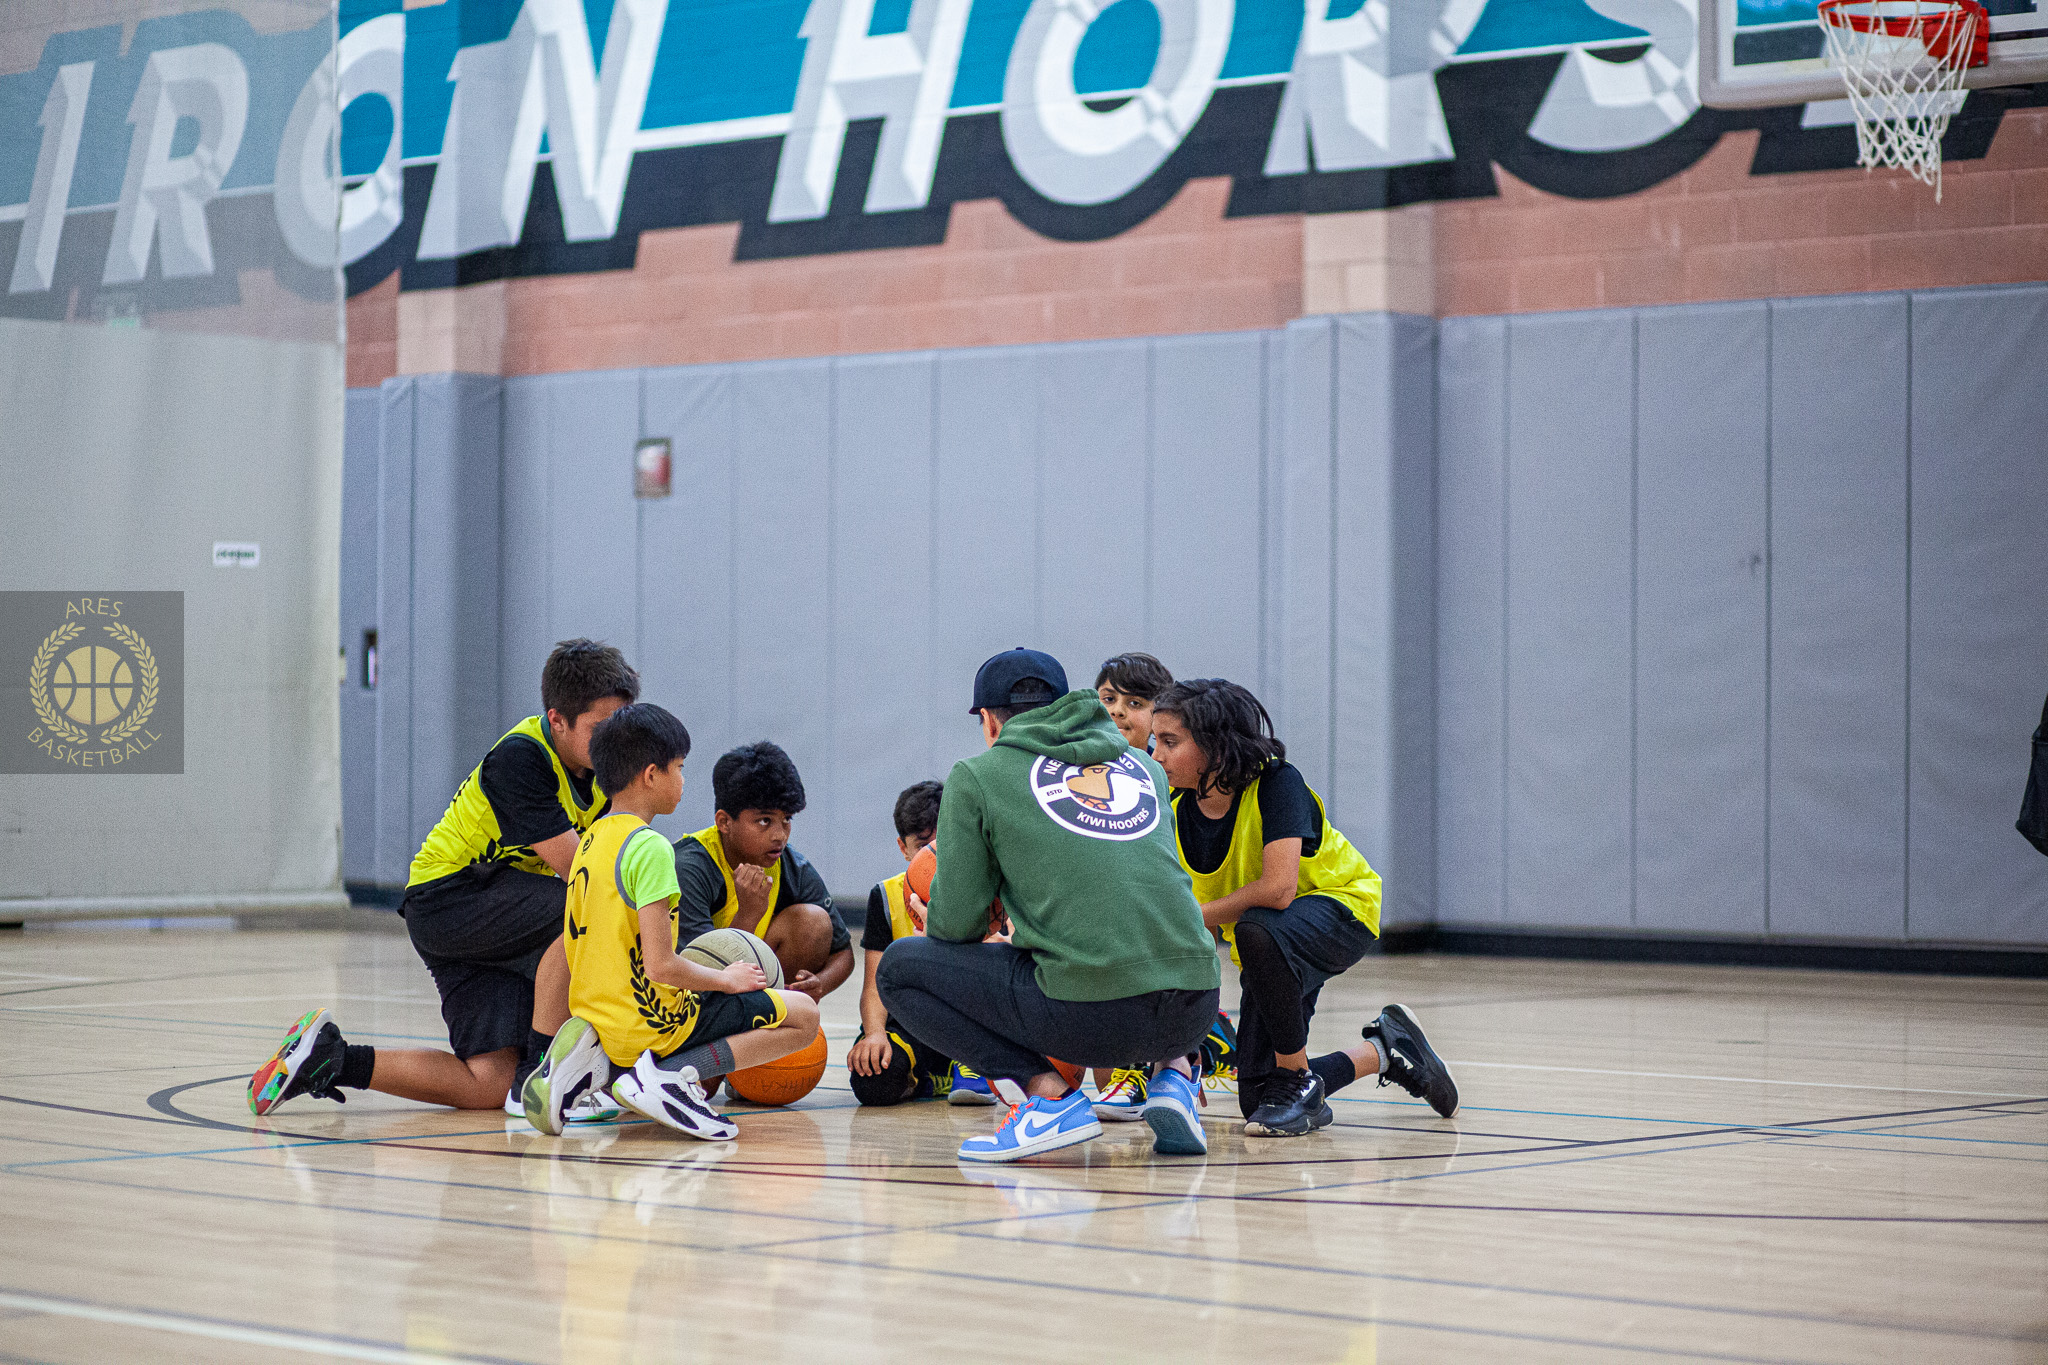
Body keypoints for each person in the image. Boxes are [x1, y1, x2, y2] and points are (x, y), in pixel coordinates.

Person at [249, 639, 639, 1117]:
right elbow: (583, 874)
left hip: (496, 911)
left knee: (486, 1086)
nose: (616, 743)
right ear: (558, 720)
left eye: (622, 728)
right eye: (602, 729)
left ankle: (328, 1059)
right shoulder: (522, 760)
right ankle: (546, 1076)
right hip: (451, 900)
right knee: (580, 910)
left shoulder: (602, 770)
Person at [877, 648, 1221, 1163]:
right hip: (1197, 1009)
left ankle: (1049, 1098)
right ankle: (1176, 1077)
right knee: (1148, 935)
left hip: (1093, 1017)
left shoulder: (979, 775)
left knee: (902, 969)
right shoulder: (1144, 770)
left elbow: (956, 926)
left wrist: (954, 916)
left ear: (989, 720)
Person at [1149, 678, 1458, 1137]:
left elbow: (1278, 890)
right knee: (1256, 1098)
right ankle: (1387, 1050)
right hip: (1270, 944)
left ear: (1215, 745)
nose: (1156, 755)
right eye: (1156, 741)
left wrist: (1192, 917)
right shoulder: (1174, 808)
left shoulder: (1277, 782)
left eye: (1170, 742)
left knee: (1258, 928)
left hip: (1341, 911)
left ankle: (1296, 1077)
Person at [522, 703, 821, 1139]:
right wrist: (728, 980)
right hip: (651, 1023)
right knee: (804, 1017)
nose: (683, 780)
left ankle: (598, 1064)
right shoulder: (651, 848)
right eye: (678, 768)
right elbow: (661, 966)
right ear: (650, 774)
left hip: (597, 1017)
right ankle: (667, 1077)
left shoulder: (589, 841)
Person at [672, 743, 855, 1008]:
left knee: (813, 921)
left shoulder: (793, 866)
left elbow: (844, 954)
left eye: (787, 819)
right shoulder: (689, 867)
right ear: (724, 822)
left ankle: (771, 1012)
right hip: (694, 996)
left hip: (751, 981)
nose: (779, 834)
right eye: (764, 821)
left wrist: (819, 985)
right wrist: (749, 912)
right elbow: (700, 967)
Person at [848, 779, 982, 1106]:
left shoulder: (983, 886)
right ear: (903, 848)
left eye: (944, 841)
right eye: (924, 844)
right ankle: (934, 1078)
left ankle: (976, 1062)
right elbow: (873, 986)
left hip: (972, 1020)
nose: (935, 853)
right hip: (914, 1025)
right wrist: (875, 1033)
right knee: (872, 1080)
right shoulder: (885, 895)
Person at [1094, 651, 1175, 753]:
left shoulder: (1163, 768)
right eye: (1109, 699)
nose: (1117, 711)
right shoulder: (1070, 764)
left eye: (1135, 703)